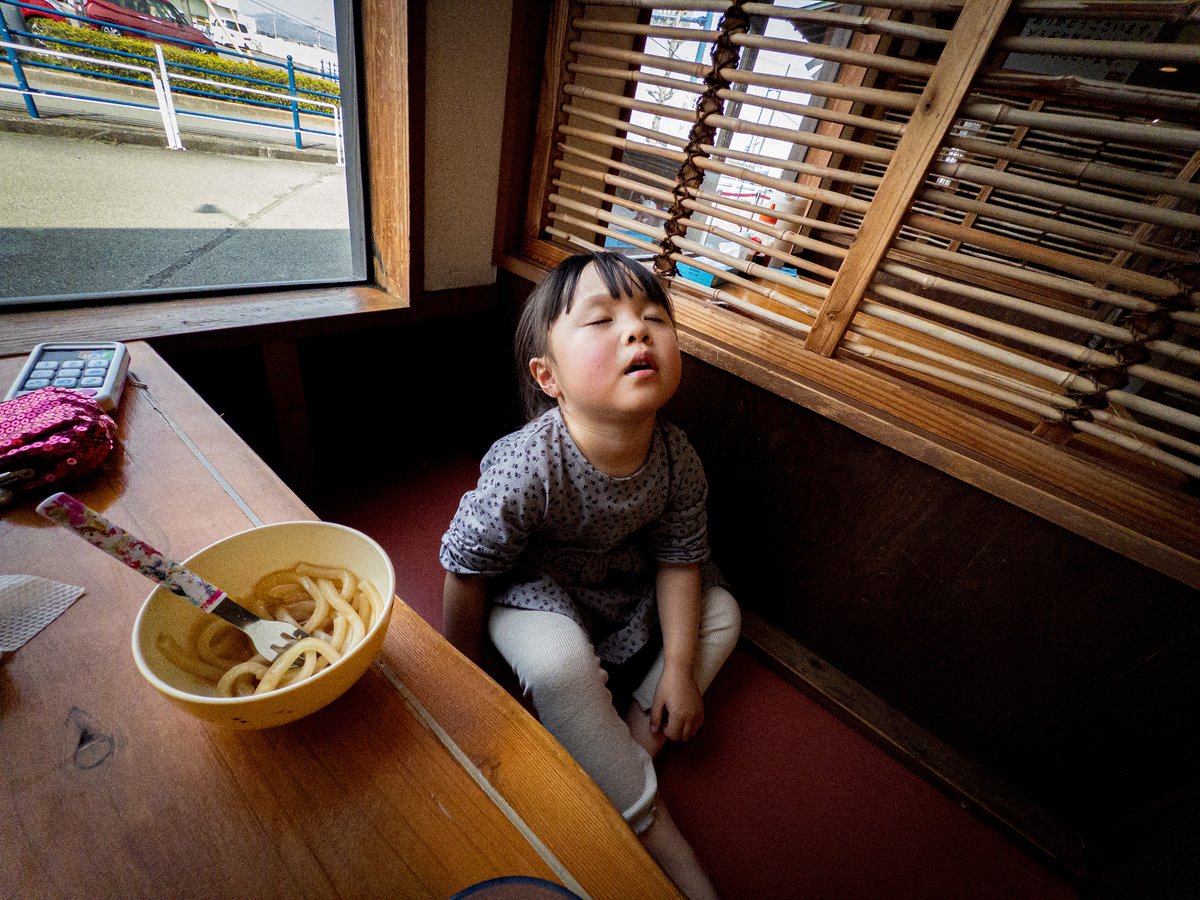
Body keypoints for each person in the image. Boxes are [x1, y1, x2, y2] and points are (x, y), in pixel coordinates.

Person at [440, 250, 740, 899]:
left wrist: (680, 670)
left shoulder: (677, 456)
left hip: (624, 591)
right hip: (535, 592)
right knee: (557, 666)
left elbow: (679, 557)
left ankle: (627, 744)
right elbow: (465, 567)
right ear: (548, 376)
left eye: (654, 317)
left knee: (724, 612)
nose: (637, 332)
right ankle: (654, 834)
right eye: (602, 320)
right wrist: (462, 682)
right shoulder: (528, 464)